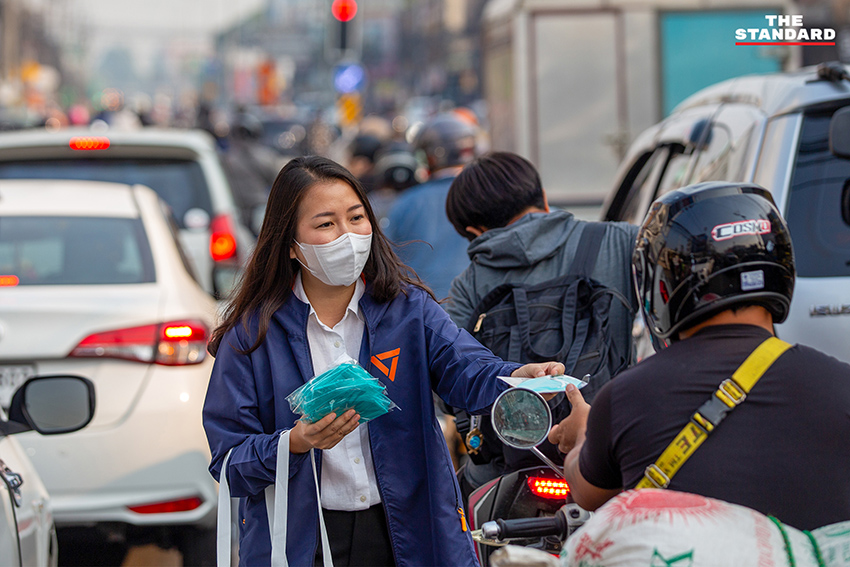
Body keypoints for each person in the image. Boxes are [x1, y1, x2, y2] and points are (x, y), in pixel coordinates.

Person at [202, 155, 565, 567]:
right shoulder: (251, 338)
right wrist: (296, 443)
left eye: (356, 218)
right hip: (304, 541)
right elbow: (230, 462)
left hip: (403, 532)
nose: (348, 236)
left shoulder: (409, 311)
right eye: (326, 224)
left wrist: (518, 376)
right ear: (289, 243)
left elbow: (468, 369)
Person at [550, 181, 850, 531]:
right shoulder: (840, 384)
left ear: (661, 284)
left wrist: (584, 433)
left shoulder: (625, 397)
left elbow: (588, 494)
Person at [444, 151, 639, 492]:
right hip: (613, 457)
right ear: (544, 200)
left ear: (475, 232)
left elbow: (446, 379)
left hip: (507, 477)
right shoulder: (622, 242)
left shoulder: (469, 284)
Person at [383, 112, 479, 300]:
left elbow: (387, 262)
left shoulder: (405, 203)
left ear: (428, 156)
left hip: (424, 316)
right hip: (480, 313)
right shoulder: (488, 195)